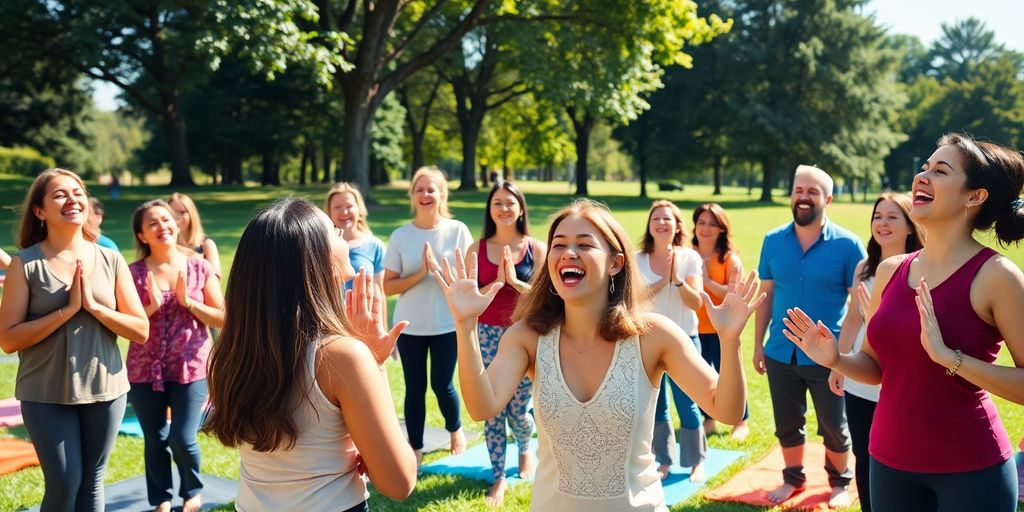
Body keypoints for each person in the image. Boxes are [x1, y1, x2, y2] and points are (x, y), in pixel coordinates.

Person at [432, 198, 763, 511]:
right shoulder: (528, 336)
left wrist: (730, 340)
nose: (568, 253)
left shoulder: (653, 335)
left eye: (584, 244)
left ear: (615, 262)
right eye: (559, 244)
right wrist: (465, 325)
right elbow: (481, 406)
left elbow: (728, 410)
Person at [786, 133, 1024, 511]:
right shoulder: (890, 270)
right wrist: (835, 358)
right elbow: (876, 367)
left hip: (971, 469)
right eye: (925, 167)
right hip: (888, 463)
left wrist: (951, 358)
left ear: (974, 196)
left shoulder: (998, 276)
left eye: (940, 170)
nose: (921, 176)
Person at [204, 198, 416, 510]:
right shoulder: (343, 357)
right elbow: (400, 482)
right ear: (317, 261)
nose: (343, 231)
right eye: (333, 230)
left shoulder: (229, 352)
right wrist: (374, 365)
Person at [0, 168, 149, 512]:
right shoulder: (26, 264)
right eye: (60, 194)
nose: (73, 199)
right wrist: (66, 311)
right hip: (45, 393)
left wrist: (94, 307)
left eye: (78, 191)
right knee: (65, 484)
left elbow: (140, 329)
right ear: (40, 211)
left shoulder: (110, 258)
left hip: (105, 390)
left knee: (92, 485)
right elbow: (8, 339)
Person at [753, 165, 864, 508]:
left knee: (834, 425)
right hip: (780, 351)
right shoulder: (772, 241)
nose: (803, 197)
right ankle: (792, 478)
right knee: (787, 422)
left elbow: (858, 309)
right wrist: (758, 343)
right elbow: (767, 295)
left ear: (827, 199)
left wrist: (842, 361)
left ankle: (840, 482)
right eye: (799, 190)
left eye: (812, 192)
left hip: (827, 355)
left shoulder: (849, 245)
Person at [127, 200, 226, 512]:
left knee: (182, 438)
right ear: (142, 235)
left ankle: (192, 491)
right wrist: (150, 309)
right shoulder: (132, 274)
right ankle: (161, 499)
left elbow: (222, 317)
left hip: (191, 366)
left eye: (166, 220)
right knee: (155, 439)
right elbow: (124, 325)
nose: (162, 227)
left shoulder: (199, 266)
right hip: (144, 370)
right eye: (152, 223)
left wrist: (189, 303)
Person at [826, 193, 923, 512]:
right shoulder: (864, 268)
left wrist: (877, 318)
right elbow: (853, 318)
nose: (882, 223)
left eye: (892, 216)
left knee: (905, 457)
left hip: (901, 383)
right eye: (877, 216)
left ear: (911, 225)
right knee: (865, 455)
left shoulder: (923, 268)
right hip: (861, 382)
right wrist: (839, 364)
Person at [383, 166, 473, 466]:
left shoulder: (457, 230)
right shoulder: (400, 235)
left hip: (447, 324)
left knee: (442, 384)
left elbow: (468, 278)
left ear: (442, 194)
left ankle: (455, 428)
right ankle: (417, 447)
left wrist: (439, 271)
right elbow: (388, 285)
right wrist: (421, 273)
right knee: (415, 388)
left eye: (431, 189)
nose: (425, 194)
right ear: (412, 195)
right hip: (410, 327)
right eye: (419, 189)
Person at [474, 181, 545, 505]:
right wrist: (495, 283)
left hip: (525, 333)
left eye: (509, 203)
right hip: (487, 333)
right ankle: (498, 477)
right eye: (497, 203)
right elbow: (472, 297)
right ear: (490, 208)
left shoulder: (536, 248)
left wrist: (514, 282)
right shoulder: (478, 248)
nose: (503, 208)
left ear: (520, 209)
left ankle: (525, 448)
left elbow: (548, 297)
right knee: (493, 407)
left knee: (519, 409)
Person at [635, 200, 707, 482]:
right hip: (647, 340)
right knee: (656, 404)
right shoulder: (638, 259)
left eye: (668, 219)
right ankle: (663, 460)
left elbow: (696, 302)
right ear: (650, 225)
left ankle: (696, 461)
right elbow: (635, 299)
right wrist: (662, 279)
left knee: (687, 403)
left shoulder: (689, 257)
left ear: (678, 226)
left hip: (684, 340)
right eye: (657, 218)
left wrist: (677, 280)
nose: (662, 223)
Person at [692, 203, 750, 441]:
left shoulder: (729, 259)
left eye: (712, 224)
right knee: (702, 377)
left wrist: (706, 281)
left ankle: (741, 421)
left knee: (729, 375)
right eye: (701, 223)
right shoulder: (687, 254)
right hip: (693, 328)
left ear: (721, 230)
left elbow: (735, 295)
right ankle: (709, 420)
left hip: (722, 329)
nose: (705, 229)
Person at [325, 183, 389, 355]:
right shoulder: (322, 247)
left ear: (359, 209)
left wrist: (382, 329)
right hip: (333, 323)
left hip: (364, 323)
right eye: (337, 207)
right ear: (329, 213)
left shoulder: (374, 245)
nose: (344, 212)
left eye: (349, 206)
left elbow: (379, 292)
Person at [168, 193, 221, 278]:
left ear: (191, 214)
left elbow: (215, 278)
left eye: (182, 212)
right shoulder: (166, 246)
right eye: (172, 213)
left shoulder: (206, 245)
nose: (177, 217)